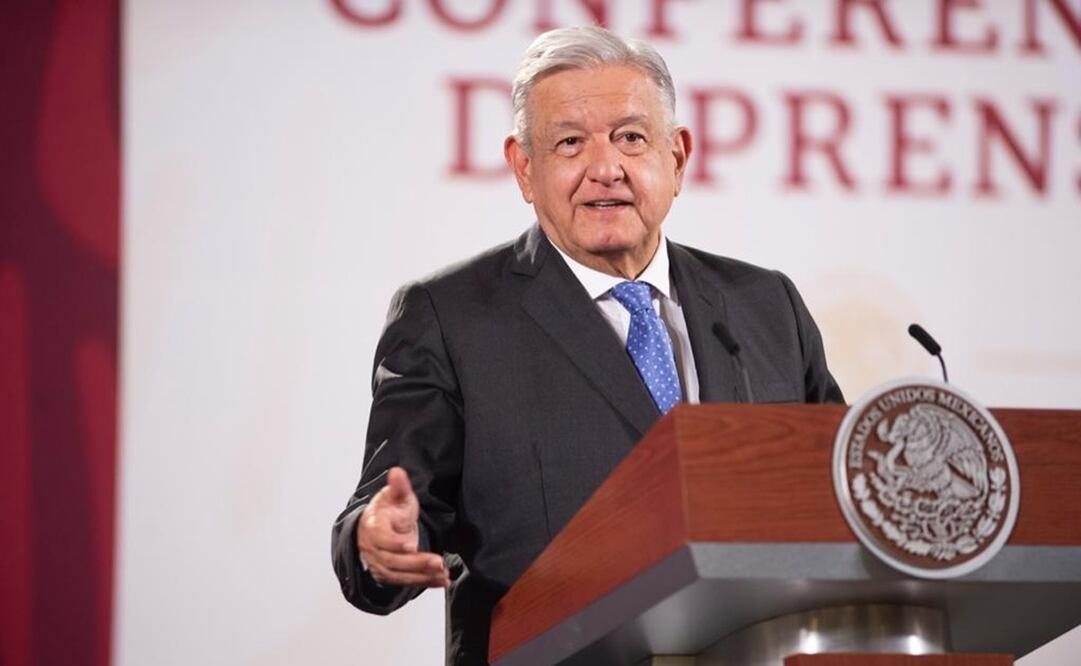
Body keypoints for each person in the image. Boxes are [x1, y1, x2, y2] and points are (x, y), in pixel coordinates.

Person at [331, 26, 844, 666]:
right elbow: (388, 509)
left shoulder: (766, 306)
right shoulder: (450, 319)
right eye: (570, 143)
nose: (606, 168)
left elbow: (841, 495)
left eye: (631, 137)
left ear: (678, 157)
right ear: (525, 167)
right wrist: (381, 543)